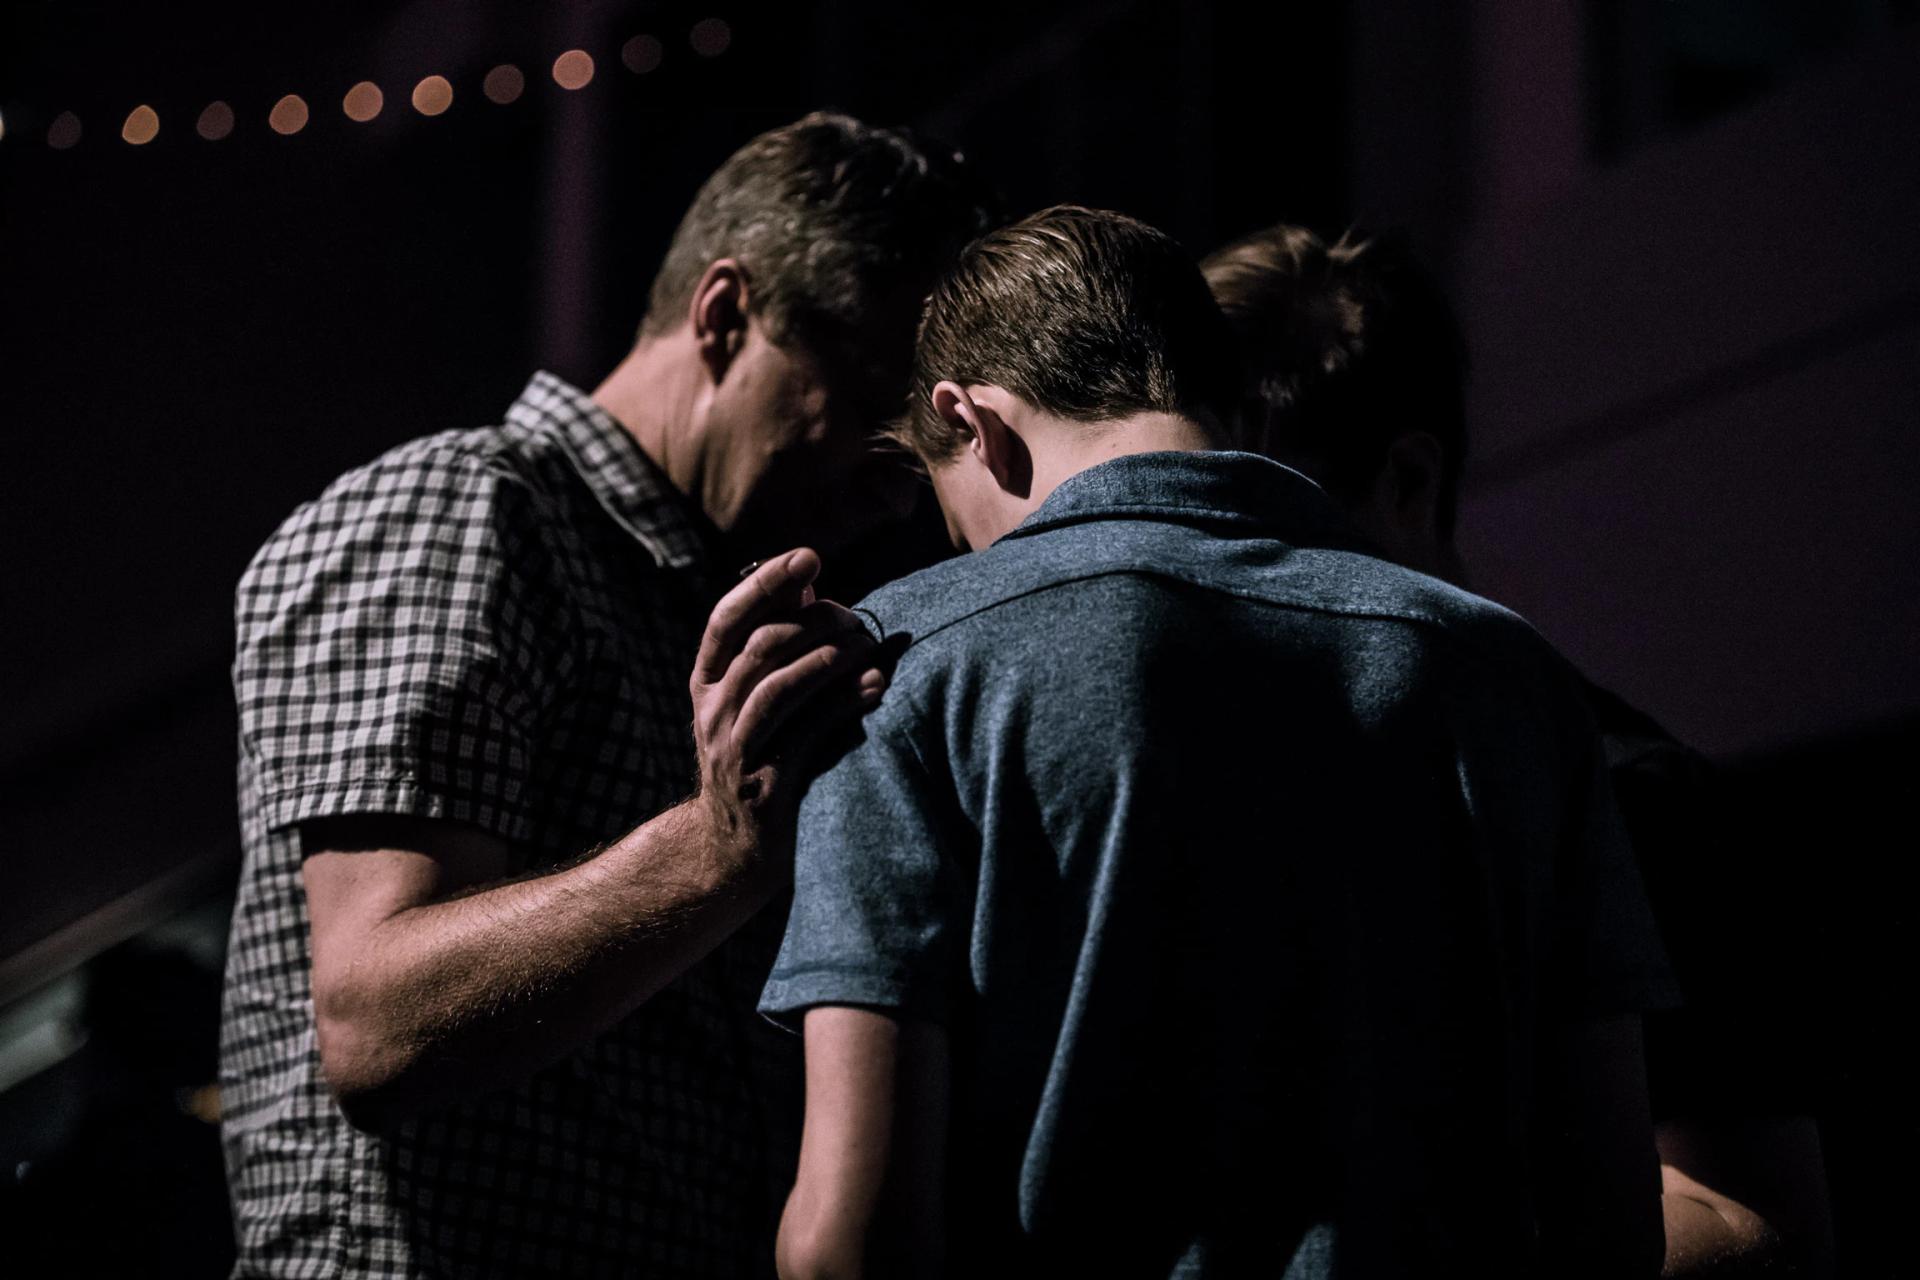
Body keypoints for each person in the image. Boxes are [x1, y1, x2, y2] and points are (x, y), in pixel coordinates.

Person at [760, 205, 1675, 1278]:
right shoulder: (1508, 674)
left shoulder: (902, 665)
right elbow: (1612, 1219)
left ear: (975, 423)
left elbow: (848, 1239)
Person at [218, 111, 995, 1279]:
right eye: (868, 406)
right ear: (726, 313)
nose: (900, 491)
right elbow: (373, 1022)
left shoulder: (698, 589)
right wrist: (717, 847)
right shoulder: (469, 511)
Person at [1200, 223, 1836, 1277]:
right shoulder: (1234, 776)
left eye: (1264, 516)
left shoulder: (1634, 793)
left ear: (1407, 480)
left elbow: (1765, 1225)